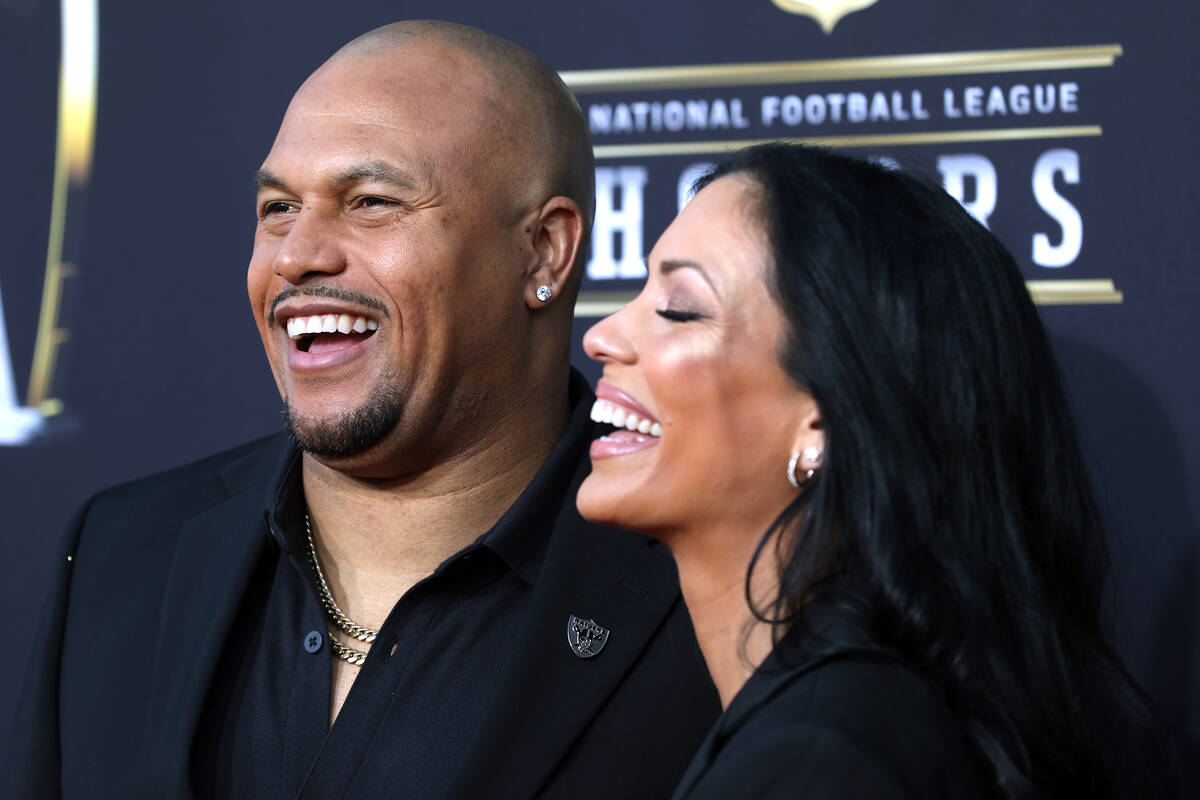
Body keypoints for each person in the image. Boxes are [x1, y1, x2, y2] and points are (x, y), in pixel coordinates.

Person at [2, 21, 719, 799]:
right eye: (278, 208)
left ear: (544, 250)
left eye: (371, 201)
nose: (296, 255)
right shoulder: (122, 555)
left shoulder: (725, 584)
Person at [577, 143, 1176, 798]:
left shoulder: (821, 760)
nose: (603, 335)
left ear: (826, 419)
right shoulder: (845, 725)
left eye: (679, 308)